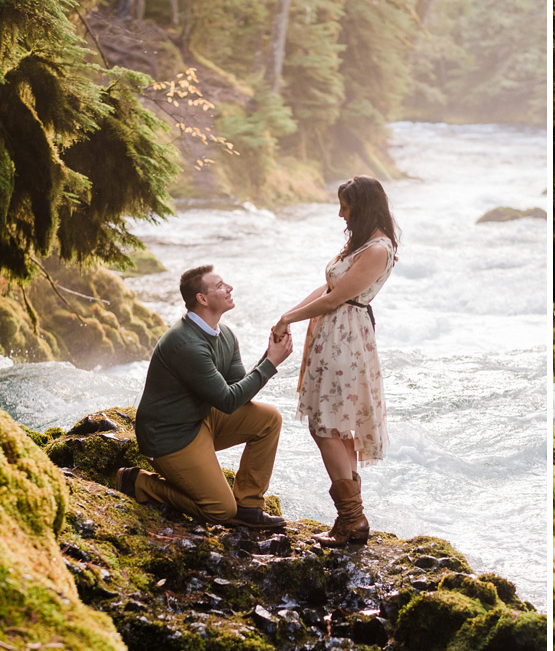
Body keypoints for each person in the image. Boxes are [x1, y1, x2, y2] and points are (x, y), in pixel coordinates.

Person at [271, 176, 398, 547]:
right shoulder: (358, 245)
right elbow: (327, 288)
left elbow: (334, 299)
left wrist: (288, 321)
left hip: (346, 338)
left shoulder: (377, 249)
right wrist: (288, 313)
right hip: (333, 335)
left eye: (345, 206)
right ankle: (349, 520)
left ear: (363, 207)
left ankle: (352, 520)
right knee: (335, 426)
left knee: (326, 425)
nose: (340, 213)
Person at [117, 266, 294, 529]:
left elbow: (237, 391)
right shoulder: (187, 344)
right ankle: (139, 482)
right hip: (169, 436)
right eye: (220, 285)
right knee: (220, 510)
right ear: (202, 299)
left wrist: (269, 356)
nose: (229, 287)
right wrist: (270, 363)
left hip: (200, 420)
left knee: (269, 419)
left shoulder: (225, 334)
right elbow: (227, 401)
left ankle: (249, 506)